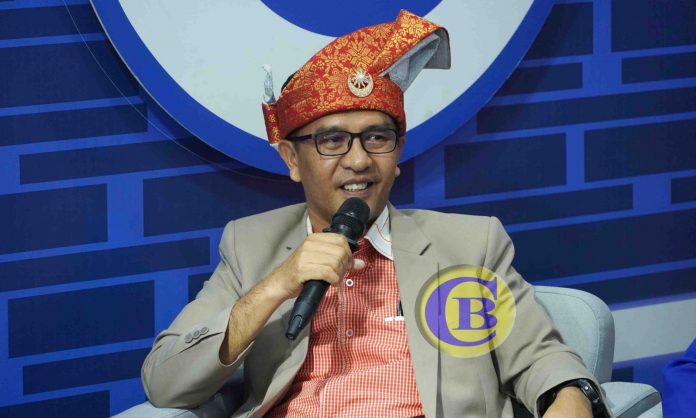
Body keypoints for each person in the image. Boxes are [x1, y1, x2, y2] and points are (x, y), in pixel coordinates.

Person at [141, 10, 610, 418]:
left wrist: (570, 396)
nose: (359, 160)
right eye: (332, 140)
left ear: (398, 151)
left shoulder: (468, 246)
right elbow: (165, 382)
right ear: (291, 159)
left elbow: (540, 358)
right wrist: (279, 283)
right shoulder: (250, 246)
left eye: (377, 138)